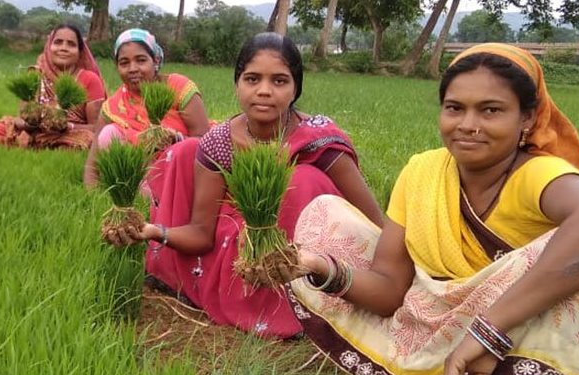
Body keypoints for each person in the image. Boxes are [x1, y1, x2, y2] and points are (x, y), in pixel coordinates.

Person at [284, 44, 579, 375]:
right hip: (432, 323)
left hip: (502, 347)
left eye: (491, 110)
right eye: (455, 108)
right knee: (326, 218)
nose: (468, 125)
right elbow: (391, 288)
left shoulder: (538, 175)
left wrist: (486, 334)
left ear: (527, 118)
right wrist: (320, 267)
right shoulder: (424, 171)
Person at [103, 33, 383, 339]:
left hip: (314, 256)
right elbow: (201, 231)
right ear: (237, 84)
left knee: (302, 179)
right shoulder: (220, 142)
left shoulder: (318, 141)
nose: (264, 91)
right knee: (184, 152)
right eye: (252, 79)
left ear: (295, 88)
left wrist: (387, 276)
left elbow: (374, 222)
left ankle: (302, 302)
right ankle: (253, 294)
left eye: (279, 81)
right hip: (241, 248)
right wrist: (154, 232)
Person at [83, 28, 210, 187]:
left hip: (179, 169)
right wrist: (91, 195)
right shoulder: (113, 105)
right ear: (117, 66)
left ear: (155, 61)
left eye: (141, 60)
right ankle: (132, 192)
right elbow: (93, 162)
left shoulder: (179, 87)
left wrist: (174, 139)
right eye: (124, 63)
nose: (133, 68)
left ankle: (162, 196)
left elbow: (204, 142)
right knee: (108, 133)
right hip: (137, 175)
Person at [0, 24, 106, 150]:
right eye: (58, 42)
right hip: (33, 132)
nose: (63, 48)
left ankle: (31, 147)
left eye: (71, 44)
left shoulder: (90, 79)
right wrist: (29, 125)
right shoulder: (36, 74)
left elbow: (97, 127)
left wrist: (66, 126)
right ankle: (35, 146)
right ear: (49, 47)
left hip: (68, 135)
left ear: (79, 52)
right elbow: (20, 117)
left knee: (88, 141)